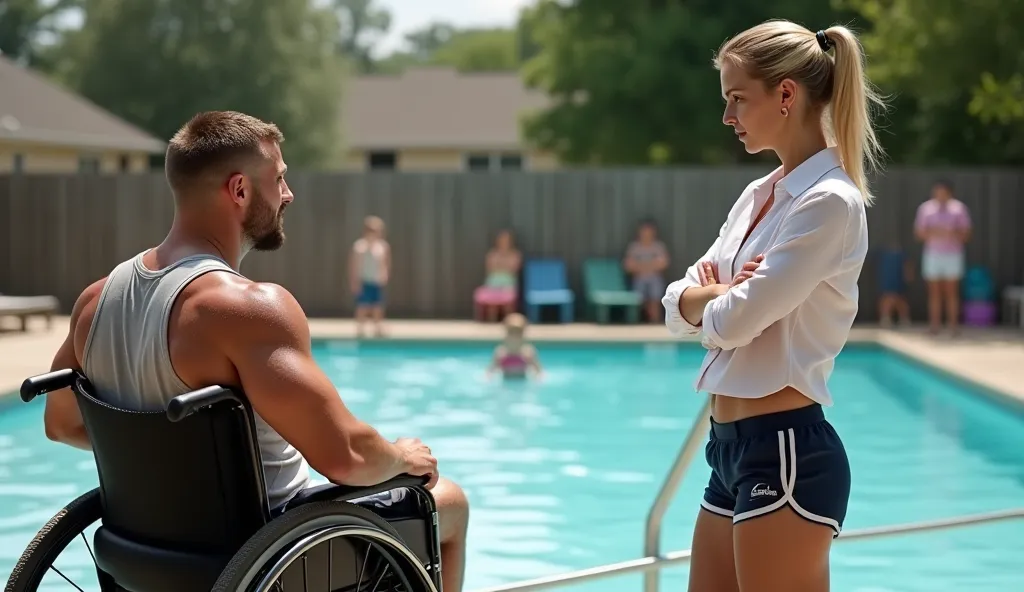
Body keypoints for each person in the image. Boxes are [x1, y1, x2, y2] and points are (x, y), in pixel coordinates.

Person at [41, 111, 470, 592]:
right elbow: (347, 457)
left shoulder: (94, 303)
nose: (288, 194)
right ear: (240, 190)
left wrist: (162, 465)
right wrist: (400, 455)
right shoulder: (248, 308)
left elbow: (61, 424)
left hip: (138, 556)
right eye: (280, 178)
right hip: (267, 557)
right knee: (448, 502)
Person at [661, 21, 881, 592]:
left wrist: (712, 302)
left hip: (784, 451)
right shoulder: (759, 195)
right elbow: (672, 303)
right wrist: (717, 295)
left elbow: (733, 323)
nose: (728, 117)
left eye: (738, 99)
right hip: (728, 451)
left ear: (786, 95)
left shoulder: (830, 203)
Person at [914, 180, 971, 335]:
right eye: (937, 192)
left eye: (943, 193)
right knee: (934, 292)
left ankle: (953, 327)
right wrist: (935, 232)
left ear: (949, 193)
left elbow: (966, 234)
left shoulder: (959, 209)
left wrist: (951, 232)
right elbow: (919, 233)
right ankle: (934, 326)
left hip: (953, 254)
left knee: (952, 292)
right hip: (933, 254)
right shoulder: (926, 209)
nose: (940, 196)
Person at [350, 215, 391, 337]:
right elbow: (354, 265)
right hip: (364, 280)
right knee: (363, 305)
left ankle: (378, 328)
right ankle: (360, 328)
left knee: (378, 305)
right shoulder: (360, 247)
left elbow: (386, 262)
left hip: (376, 279)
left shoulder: (382, 246)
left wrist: (385, 273)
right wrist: (355, 281)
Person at [623, 220, 670, 323]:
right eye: (644, 232)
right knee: (639, 297)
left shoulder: (658, 246)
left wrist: (641, 265)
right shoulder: (635, 247)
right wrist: (651, 265)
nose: (646, 235)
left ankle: (655, 322)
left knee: (655, 296)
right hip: (639, 278)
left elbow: (663, 263)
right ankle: (638, 321)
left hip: (654, 278)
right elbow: (628, 265)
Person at [475, 229, 522, 322]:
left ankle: (509, 321)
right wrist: (504, 265)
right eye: (502, 240)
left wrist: (501, 265)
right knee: (492, 303)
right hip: (493, 282)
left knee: (508, 302)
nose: (504, 243)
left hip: (508, 282)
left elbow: (513, 269)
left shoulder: (515, 254)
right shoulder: (492, 254)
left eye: (506, 241)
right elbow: (490, 268)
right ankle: (492, 322)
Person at [486, 313, 542, 380]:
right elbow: (490, 371)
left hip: (522, 383)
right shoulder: (501, 353)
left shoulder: (528, 352)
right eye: (511, 334)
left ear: (524, 336)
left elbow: (538, 372)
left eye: (518, 334)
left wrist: (538, 379)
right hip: (506, 384)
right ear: (506, 335)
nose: (514, 338)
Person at [877, 240, 913, 327]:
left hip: (898, 278)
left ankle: (903, 319)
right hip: (888, 277)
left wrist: (908, 276)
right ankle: (885, 318)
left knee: (899, 298)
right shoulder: (884, 256)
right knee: (888, 297)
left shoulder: (903, 256)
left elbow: (908, 267)